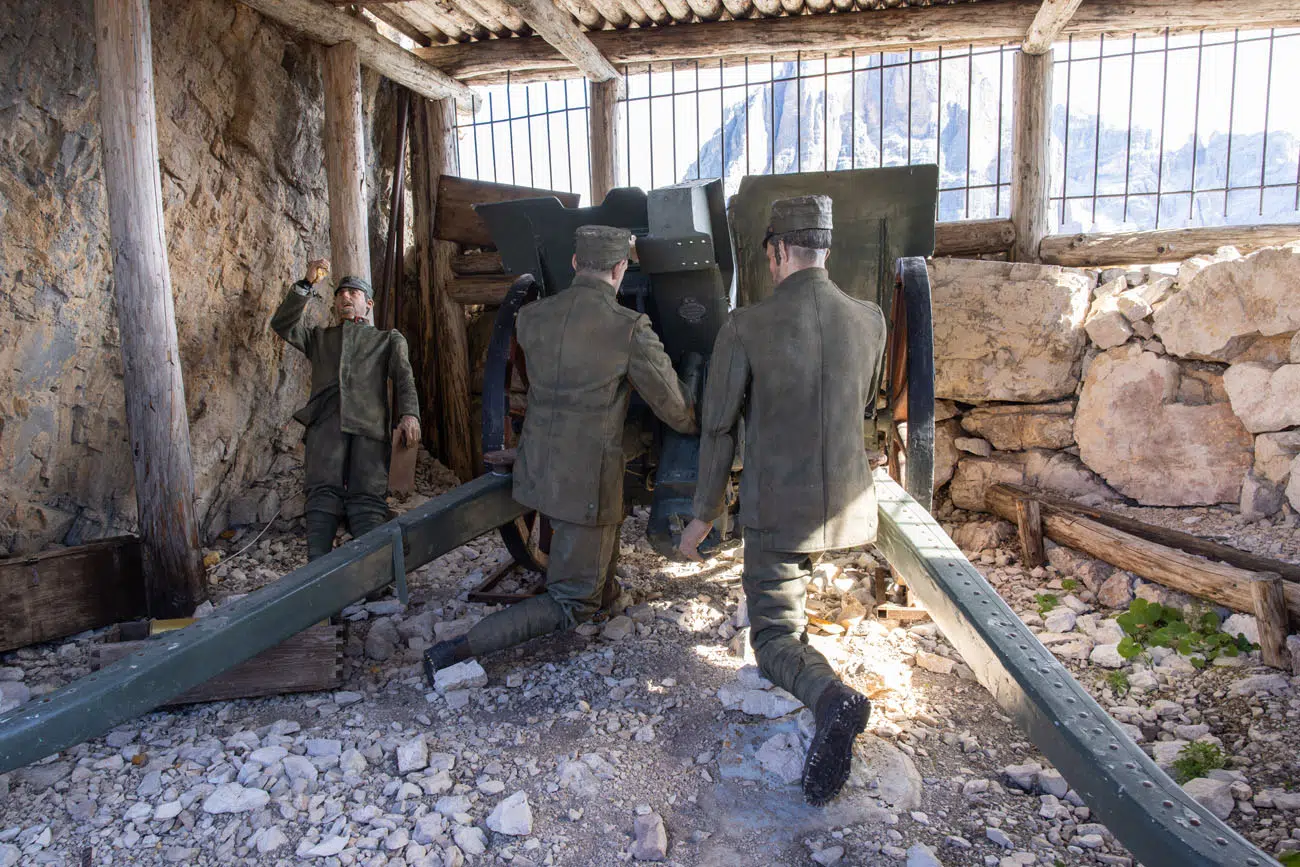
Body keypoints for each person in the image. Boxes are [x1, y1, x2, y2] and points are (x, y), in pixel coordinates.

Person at [678, 195, 887, 806]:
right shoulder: (869, 319)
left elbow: (718, 430)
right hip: (849, 509)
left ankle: (832, 702)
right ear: (825, 249)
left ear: (775, 251)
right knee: (789, 606)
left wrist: (701, 516)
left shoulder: (746, 326)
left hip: (779, 513)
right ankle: (818, 684)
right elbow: (866, 408)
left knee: (771, 639)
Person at [424, 226, 698, 680]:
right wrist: (703, 423)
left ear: (574, 264)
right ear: (620, 269)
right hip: (585, 483)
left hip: (538, 470)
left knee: (590, 570)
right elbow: (675, 409)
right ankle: (457, 649)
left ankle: (603, 590)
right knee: (572, 603)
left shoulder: (531, 319)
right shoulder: (628, 329)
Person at [272, 259, 421, 562]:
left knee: (367, 499)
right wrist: (306, 284)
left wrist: (410, 414)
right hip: (326, 426)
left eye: (353, 293)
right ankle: (316, 577)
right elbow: (283, 324)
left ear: (368, 303)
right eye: (340, 294)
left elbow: (405, 377)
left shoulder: (386, 339)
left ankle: (372, 578)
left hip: (370, 427)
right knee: (321, 496)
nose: (345, 297)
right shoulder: (320, 338)